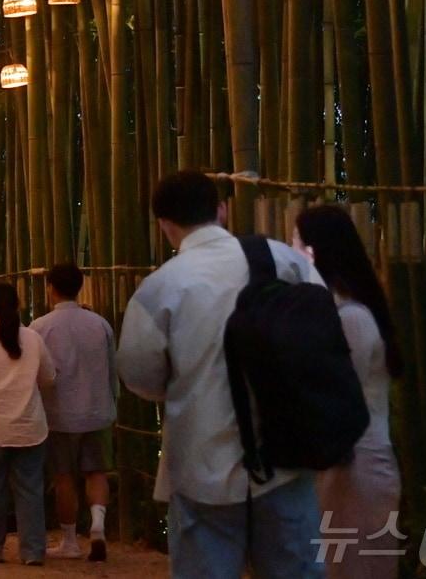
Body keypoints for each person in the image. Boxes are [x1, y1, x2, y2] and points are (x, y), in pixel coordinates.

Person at [116, 170, 326, 579]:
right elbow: (326, 336)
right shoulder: (283, 260)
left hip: (201, 462)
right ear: (223, 210)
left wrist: (186, 384)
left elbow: (138, 377)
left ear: (164, 225)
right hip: (287, 454)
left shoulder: (160, 288)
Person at [294, 205, 403, 578]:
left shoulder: (351, 318)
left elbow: (339, 399)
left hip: (356, 467)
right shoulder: (343, 312)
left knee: (355, 567)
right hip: (350, 465)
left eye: (297, 243)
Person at [0, 283, 57, 565]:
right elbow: (49, 377)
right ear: (18, 305)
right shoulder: (33, 338)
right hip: (30, 424)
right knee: (30, 489)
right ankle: (33, 551)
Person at [30, 262, 117, 562]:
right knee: (96, 471)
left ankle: (69, 540)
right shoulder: (100, 324)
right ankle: (98, 524)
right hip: (97, 409)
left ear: (50, 288)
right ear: (80, 287)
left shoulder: (40, 327)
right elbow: (112, 368)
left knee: (64, 475)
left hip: (59, 414)